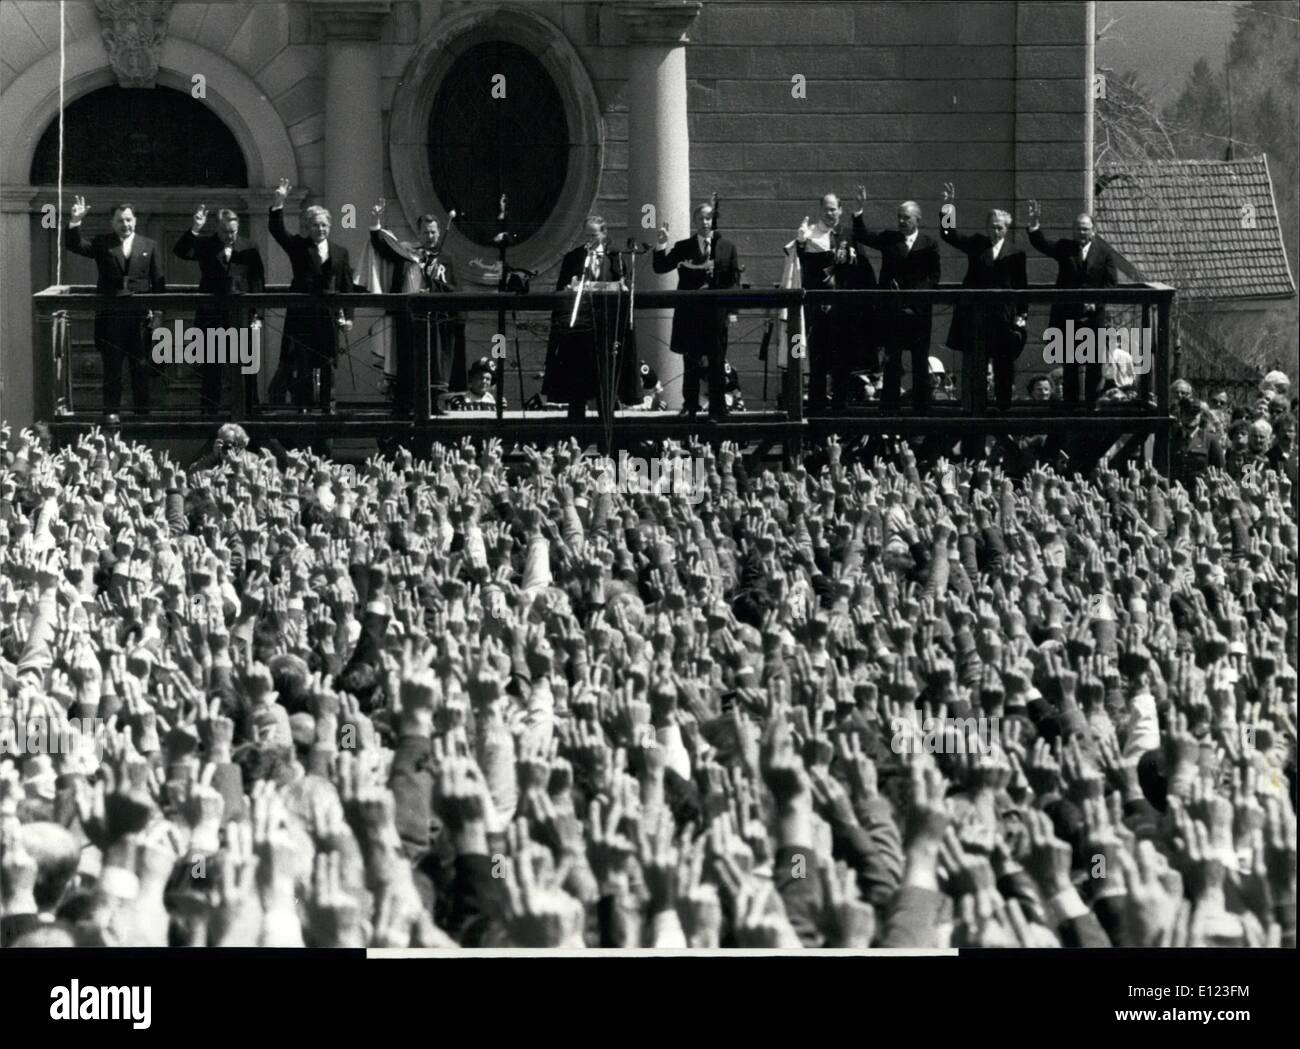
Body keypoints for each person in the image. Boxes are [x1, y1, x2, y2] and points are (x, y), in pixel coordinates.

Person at [63, 198, 166, 416]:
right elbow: (74, 245)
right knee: (112, 376)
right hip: (111, 321)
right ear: (112, 223)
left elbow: (158, 284)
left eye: (128, 220)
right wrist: (75, 221)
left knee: (141, 374)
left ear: (135, 221)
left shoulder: (149, 246)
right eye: (120, 221)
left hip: (140, 322)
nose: (125, 225)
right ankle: (111, 429)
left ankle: (142, 426)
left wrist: (158, 315)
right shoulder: (103, 243)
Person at [367, 199, 464, 416]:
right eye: (425, 233)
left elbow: (454, 291)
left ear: (438, 233)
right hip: (407, 318)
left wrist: (434, 288)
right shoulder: (407, 254)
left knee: (433, 364)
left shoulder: (446, 260)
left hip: (435, 320)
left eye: (433, 232)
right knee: (407, 362)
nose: (429, 237)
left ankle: (433, 404)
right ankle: (405, 404)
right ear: (418, 233)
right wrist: (376, 221)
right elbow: (381, 246)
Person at [267, 178, 355, 411]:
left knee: (329, 364)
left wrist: (349, 316)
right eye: (315, 225)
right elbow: (277, 231)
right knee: (302, 363)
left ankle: (329, 407)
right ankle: (303, 408)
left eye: (324, 225)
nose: (320, 229)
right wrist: (279, 202)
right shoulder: (298, 246)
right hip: (303, 317)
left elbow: (347, 286)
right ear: (308, 227)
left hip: (329, 317)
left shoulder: (340, 252)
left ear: (330, 226)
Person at [936, 189, 1028, 410]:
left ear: (1006, 229)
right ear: (987, 227)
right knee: (977, 365)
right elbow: (949, 235)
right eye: (992, 226)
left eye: (1000, 227)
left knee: (1003, 365)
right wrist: (948, 207)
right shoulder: (978, 244)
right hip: (976, 317)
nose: (996, 231)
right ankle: (977, 408)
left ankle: (1004, 407)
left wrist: (1022, 315)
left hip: (1003, 319)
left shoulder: (1016, 254)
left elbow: (1021, 287)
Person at [851, 189, 940, 412]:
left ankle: (922, 410)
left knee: (920, 362)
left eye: (906, 217)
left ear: (917, 220)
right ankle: (889, 410)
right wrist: (858, 210)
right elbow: (862, 235)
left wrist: (916, 297)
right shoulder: (890, 239)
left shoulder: (929, 243)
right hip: (892, 314)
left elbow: (934, 276)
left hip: (919, 313)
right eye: (899, 217)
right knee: (893, 363)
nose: (901, 221)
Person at [789, 193, 877, 414]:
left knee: (843, 366)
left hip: (845, 312)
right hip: (818, 312)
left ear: (840, 210)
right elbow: (798, 269)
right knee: (818, 364)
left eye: (833, 209)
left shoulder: (848, 234)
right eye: (825, 209)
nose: (829, 213)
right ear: (821, 210)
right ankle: (817, 415)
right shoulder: (809, 234)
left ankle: (839, 412)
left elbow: (864, 270)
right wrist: (800, 243)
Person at [173, 204, 266, 414]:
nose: (230, 236)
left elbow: (258, 281)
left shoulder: (250, 247)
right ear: (218, 229)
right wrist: (195, 228)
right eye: (225, 232)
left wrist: (258, 316)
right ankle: (209, 414)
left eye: (233, 231)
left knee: (246, 367)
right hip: (212, 316)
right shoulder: (206, 245)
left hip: (241, 317)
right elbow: (181, 251)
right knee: (212, 368)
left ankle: (250, 412)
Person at [653, 202, 741, 419]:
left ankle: (717, 409)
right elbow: (661, 267)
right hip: (691, 315)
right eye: (701, 218)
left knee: (717, 362)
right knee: (691, 363)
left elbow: (734, 281)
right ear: (695, 222)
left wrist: (732, 311)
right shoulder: (684, 246)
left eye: (709, 218)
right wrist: (661, 244)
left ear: (714, 221)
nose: (705, 222)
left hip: (717, 315)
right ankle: (691, 407)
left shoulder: (727, 247)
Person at [1026, 201, 1118, 407]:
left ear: (1093, 231)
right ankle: (1071, 408)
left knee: (1094, 365)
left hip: (1093, 319)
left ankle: (1092, 407)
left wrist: (1096, 302)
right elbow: (1042, 244)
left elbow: (1111, 284)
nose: (1081, 233)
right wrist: (1034, 225)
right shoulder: (1065, 248)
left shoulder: (1104, 253)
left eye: (1085, 229)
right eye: (1077, 229)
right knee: (1070, 366)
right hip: (1067, 316)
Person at [551, 216, 626, 422]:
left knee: (605, 385)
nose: (590, 241)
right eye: (586, 236)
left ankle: (606, 433)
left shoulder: (615, 257)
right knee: (578, 386)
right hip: (579, 331)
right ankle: (576, 433)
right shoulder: (574, 257)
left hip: (606, 330)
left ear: (603, 234)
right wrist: (569, 289)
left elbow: (622, 285)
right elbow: (562, 288)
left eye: (593, 235)